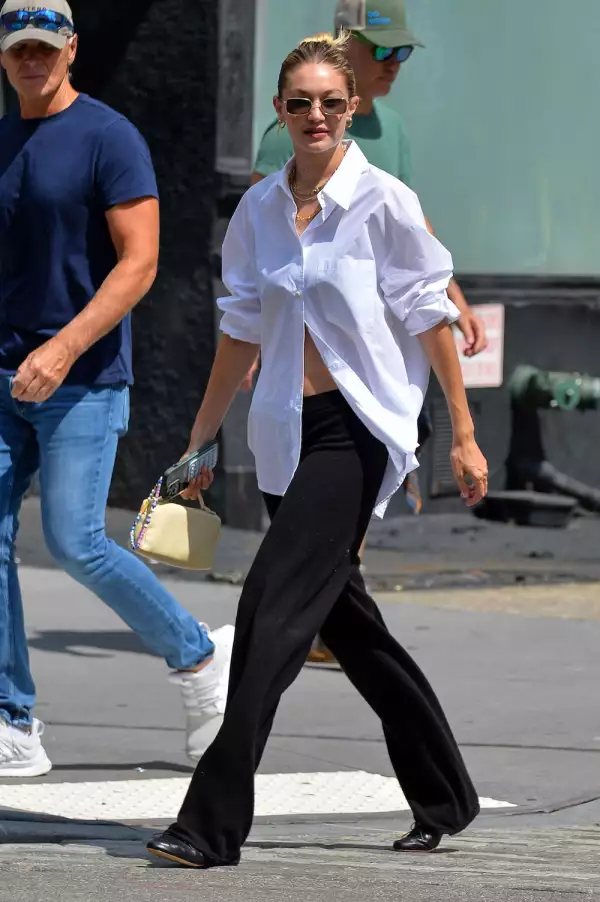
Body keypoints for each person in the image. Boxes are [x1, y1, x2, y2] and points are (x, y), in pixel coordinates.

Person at [147, 31, 488, 869]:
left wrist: (462, 433)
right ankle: (447, 794)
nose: (316, 115)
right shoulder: (260, 210)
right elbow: (240, 330)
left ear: (355, 107)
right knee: (353, 628)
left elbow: (429, 315)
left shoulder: (384, 203)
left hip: (358, 433)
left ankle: (210, 824)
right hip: (281, 438)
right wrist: (198, 438)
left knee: (269, 612)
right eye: (299, 102)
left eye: (331, 102)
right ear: (279, 111)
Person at [0, 0, 233, 777]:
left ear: (70, 47)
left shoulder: (109, 136)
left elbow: (140, 263)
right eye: (18, 50)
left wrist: (63, 351)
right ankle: (13, 720)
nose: (32, 60)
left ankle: (197, 659)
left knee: (76, 541)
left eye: (44, 46)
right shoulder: (3, 140)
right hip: (3, 375)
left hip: (84, 377)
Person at [249, 0, 488, 665]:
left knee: (343, 513)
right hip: (309, 367)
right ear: (346, 48)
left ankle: (316, 627)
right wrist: (258, 339)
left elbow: (410, 232)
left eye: (402, 54)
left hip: (381, 356)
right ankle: (321, 629)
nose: (393, 68)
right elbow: (267, 243)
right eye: (382, 53)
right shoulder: (293, 127)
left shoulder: (393, 130)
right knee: (318, 519)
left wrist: (454, 295)